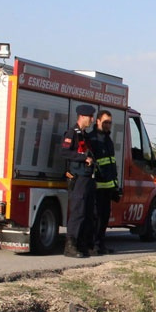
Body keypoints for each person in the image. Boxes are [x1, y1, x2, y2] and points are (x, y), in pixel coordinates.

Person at [59, 104, 97, 257]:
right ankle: (70, 246)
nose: (92, 120)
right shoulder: (72, 133)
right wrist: (83, 158)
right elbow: (64, 152)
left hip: (87, 178)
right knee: (77, 212)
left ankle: (82, 244)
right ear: (82, 116)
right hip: (77, 178)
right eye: (90, 117)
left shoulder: (84, 135)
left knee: (88, 212)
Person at [87, 109, 120, 256]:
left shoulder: (108, 140)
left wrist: (115, 187)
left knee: (104, 218)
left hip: (108, 188)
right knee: (95, 219)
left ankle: (101, 245)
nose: (108, 125)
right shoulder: (92, 139)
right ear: (97, 121)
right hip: (96, 188)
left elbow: (111, 164)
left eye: (110, 123)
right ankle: (92, 245)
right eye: (105, 122)